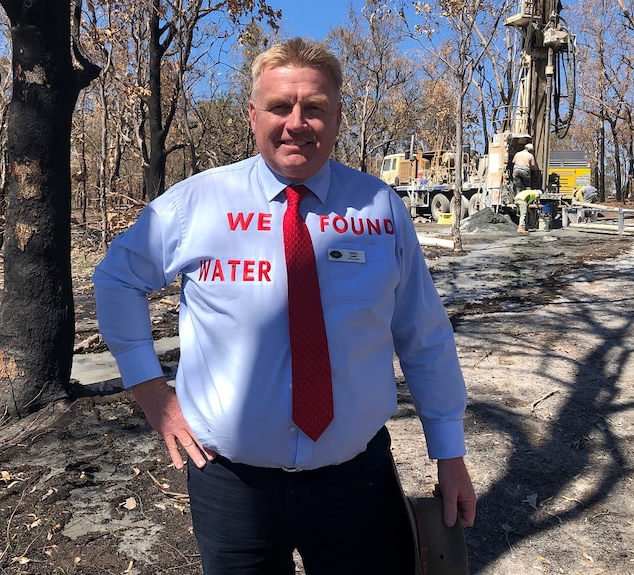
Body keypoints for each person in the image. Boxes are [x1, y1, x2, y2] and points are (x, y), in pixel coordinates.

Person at [92, 37, 476, 575]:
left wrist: (449, 454)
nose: (296, 122)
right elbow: (115, 279)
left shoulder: (381, 208)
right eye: (279, 106)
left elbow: (424, 334)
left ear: (338, 116)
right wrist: (153, 393)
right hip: (231, 485)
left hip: (356, 482)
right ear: (253, 114)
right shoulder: (197, 203)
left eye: (314, 107)